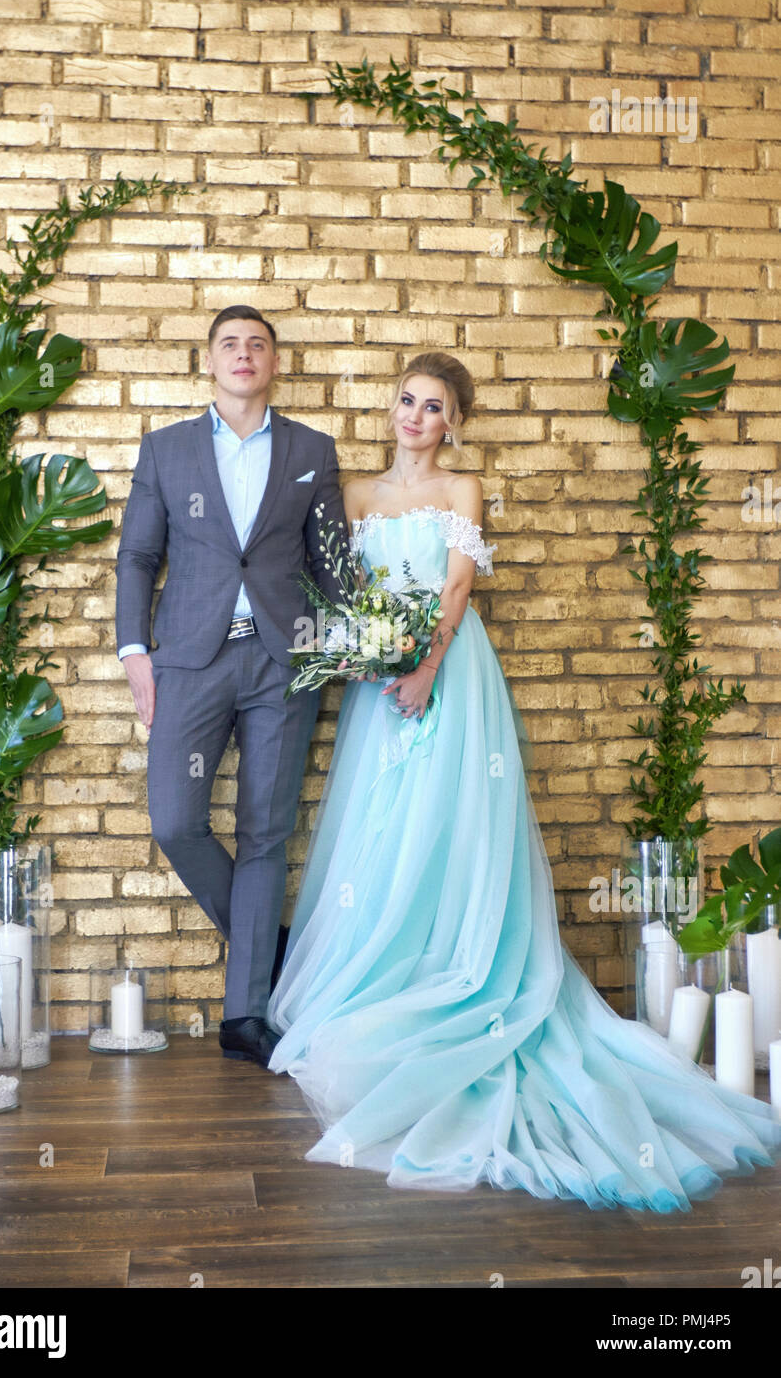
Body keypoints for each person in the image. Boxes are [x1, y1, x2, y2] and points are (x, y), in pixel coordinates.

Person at [266, 351, 781, 1211]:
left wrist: (425, 668)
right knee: (381, 829)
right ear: (389, 407)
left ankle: (461, 975)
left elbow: (456, 589)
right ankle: (378, 977)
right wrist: (363, 655)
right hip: (375, 686)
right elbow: (343, 591)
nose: (415, 418)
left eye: (433, 408)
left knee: (450, 823)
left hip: (450, 676)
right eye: (406, 401)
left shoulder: (461, 491)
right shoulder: (353, 496)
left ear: (453, 422)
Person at [115, 305, 348, 1068]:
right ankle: (262, 941)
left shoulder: (312, 449)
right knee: (177, 821)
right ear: (209, 362)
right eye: (229, 344)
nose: (244, 354)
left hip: (285, 661)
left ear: (274, 363)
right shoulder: (167, 449)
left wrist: (355, 642)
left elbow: (330, 564)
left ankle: (245, 1014)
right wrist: (134, 652)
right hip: (189, 659)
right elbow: (138, 558)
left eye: (257, 344)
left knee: (265, 832)